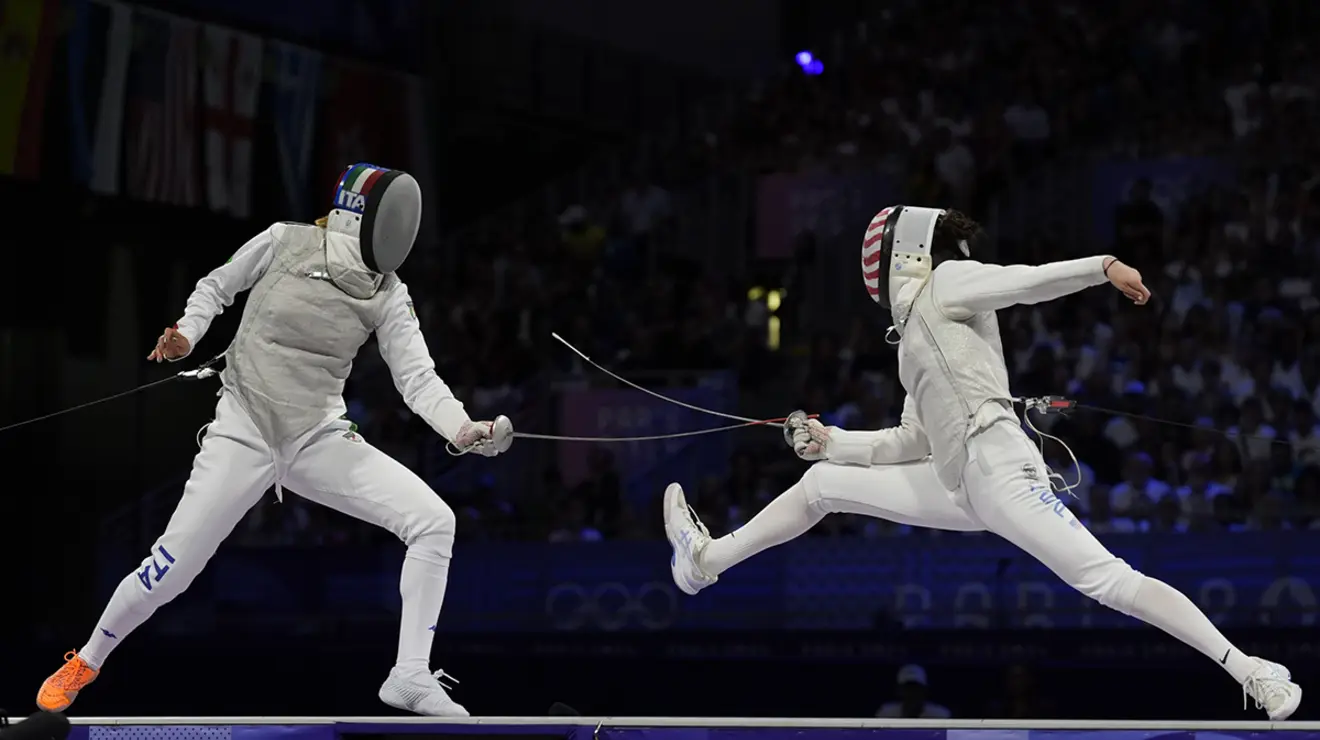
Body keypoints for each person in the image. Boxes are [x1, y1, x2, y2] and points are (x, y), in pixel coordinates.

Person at [665, 205, 1302, 720]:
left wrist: (1102, 266)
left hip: (1000, 470)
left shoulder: (947, 282)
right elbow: (913, 440)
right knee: (822, 484)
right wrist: (834, 442)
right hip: (959, 481)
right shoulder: (914, 338)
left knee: (1107, 581)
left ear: (905, 254)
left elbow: (1027, 281)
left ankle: (1253, 670)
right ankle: (703, 562)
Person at [36, 163, 513, 718]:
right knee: (172, 569)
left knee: (435, 521)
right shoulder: (286, 241)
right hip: (244, 429)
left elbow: (418, 379)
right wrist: (187, 333)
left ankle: (409, 675)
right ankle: (88, 660)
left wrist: (463, 430)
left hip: (317, 435)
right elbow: (218, 285)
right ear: (360, 218)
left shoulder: (387, 292)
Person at [875, 664, 952, 719]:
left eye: (916, 688)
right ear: (899, 690)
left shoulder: (940, 715)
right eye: (908, 688)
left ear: (924, 690)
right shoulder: (886, 713)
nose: (911, 693)